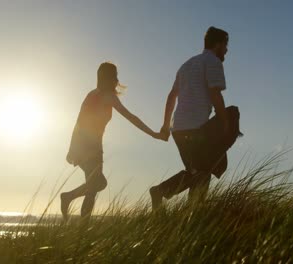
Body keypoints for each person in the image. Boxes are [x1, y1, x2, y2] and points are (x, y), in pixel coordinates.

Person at [150, 26, 241, 210]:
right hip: (197, 129)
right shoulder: (213, 61)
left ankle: (175, 202)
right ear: (218, 44)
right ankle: (163, 193)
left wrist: (166, 127)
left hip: (179, 130)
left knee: (197, 172)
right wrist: (225, 124)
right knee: (232, 113)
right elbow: (215, 93)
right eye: (225, 45)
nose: (226, 50)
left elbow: (171, 96)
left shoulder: (186, 65)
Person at [61, 62, 165, 219]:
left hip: (83, 144)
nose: (116, 79)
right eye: (115, 75)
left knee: (94, 187)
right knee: (96, 185)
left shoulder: (92, 94)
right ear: (110, 77)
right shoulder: (108, 96)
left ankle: (74, 209)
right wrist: (153, 134)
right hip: (91, 147)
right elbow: (130, 117)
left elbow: (78, 122)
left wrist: (72, 147)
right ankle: (70, 202)